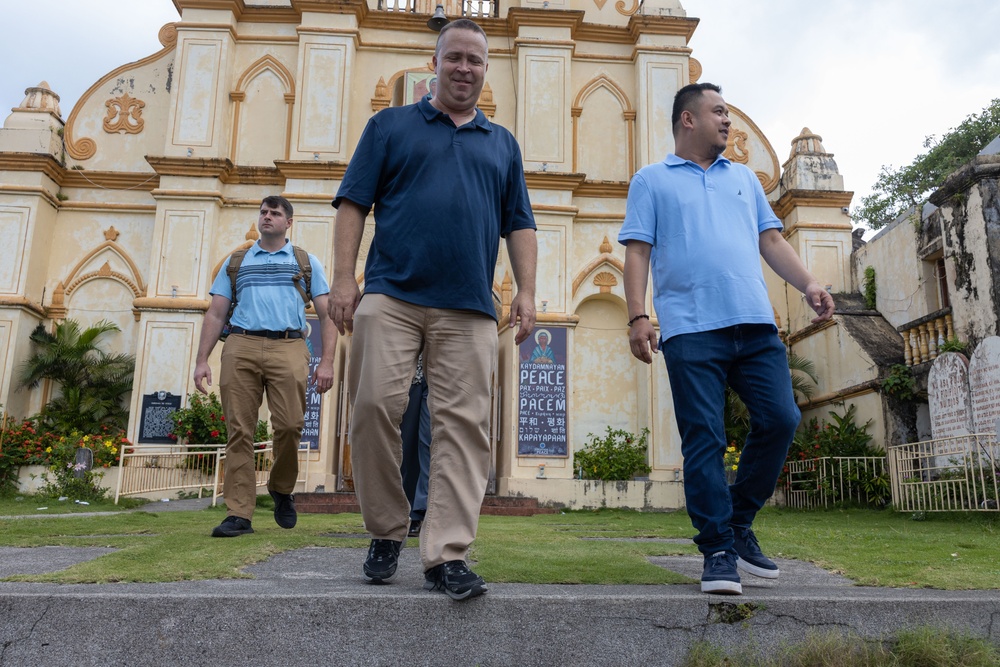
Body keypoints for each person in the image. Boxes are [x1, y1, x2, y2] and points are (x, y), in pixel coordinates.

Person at [330, 18, 537, 601]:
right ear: (436, 62)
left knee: (463, 428)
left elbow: (519, 221)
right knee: (372, 407)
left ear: (486, 67)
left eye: (475, 59)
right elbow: (352, 204)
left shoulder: (502, 144)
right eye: (455, 58)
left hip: (469, 306)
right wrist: (345, 278)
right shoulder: (390, 125)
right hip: (390, 296)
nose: (464, 68)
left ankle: (446, 553)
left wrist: (525, 290)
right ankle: (387, 530)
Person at [619, 83, 834, 595]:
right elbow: (637, 253)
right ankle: (717, 551)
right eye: (718, 112)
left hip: (755, 323)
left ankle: (737, 524)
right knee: (705, 439)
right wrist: (636, 316)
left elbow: (771, 239)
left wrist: (809, 283)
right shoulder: (651, 181)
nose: (727, 121)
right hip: (691, 328)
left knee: (781, 417)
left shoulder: (743, 179)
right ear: (687, 119)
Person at [194, 195, 336, 538]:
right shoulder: (237, 261)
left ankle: (281, 487)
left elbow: (328, 313)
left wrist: (327, 361)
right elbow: (215, 313)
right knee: (239, 430)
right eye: (263, 212)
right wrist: (201, 360)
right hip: (240, 345)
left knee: (290, 425)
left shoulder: (305, 262)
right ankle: (239, 513)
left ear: (289, 222)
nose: (267, 217)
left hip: (288, 345)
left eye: (275, 213)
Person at [399, 354, 430, 538]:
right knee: (407, 446)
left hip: (437, 379)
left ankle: (420, 511)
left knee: (429, 442)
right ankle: (407, 510)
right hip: (409, 378)